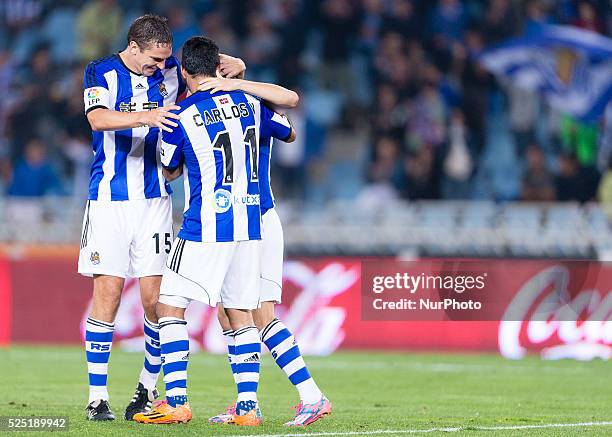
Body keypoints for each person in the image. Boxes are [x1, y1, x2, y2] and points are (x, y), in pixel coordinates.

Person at [79, 15, 245, 421]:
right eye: (154, 60)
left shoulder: (170, 67)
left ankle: (146, 387)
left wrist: (227, 71)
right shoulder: (100, 71)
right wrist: (147, 117)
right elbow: (98, 119)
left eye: (165, 60)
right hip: (108, 202)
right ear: (134, 47)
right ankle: (97, 397)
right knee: (109, 294)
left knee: (156, 300)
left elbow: (232, 65)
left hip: (156, 201)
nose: (160, 68)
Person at [133, 35, 292, 426]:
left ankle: (177, 401)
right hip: (249, 224)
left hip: (206, 224)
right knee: (240, 313)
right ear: (217, 67)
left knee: (170, 306)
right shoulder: (251, 103)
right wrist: (240, 81)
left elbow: (170, 168)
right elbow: (287, 128)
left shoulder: (180, 115)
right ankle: (248, 408)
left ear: (185, 71)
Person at [197, 79, 331, 426]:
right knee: (229, 314)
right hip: (235, 222)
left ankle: (312, 396)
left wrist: (236, 80)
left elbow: (291, 104)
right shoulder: (231, 107)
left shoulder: (250, 103)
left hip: (257, 218)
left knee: (259, 314)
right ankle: (245, 402)